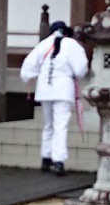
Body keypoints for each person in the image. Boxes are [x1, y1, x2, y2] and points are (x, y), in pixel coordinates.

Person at [20, 21, 89, 175]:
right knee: (60, 125)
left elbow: (28, 69)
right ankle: (58, 160)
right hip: (63, 89)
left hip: (45, 88)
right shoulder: (72, 45)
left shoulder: (43, 44)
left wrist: (31, 76)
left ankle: (45, 157)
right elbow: (80, 69)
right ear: (66, 32)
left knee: (48, 124)